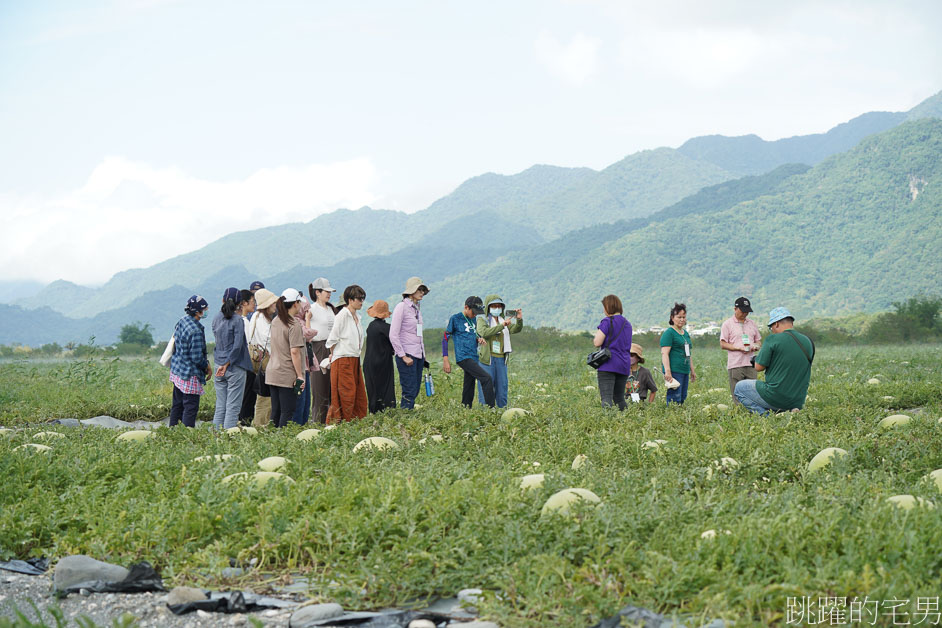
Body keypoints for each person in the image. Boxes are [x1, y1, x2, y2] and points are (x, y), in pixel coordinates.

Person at [735, 307, 814, 415]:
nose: (772, 331)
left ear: (776, 324)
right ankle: (789, 411)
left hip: (776, 396)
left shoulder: (772, 339)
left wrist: (755, 359)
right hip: (798, 401)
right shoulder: (808, 341)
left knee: (739, 388)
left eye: (771, 327)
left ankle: (768, 416)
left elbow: (758, 367)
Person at [211, 287, 253, 430]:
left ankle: (215, 436)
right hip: (234, 366)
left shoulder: (216, 318)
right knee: (233, 407)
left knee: (221, 406)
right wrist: (228, 363)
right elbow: (237, 347)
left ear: (223, 300)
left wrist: (221, 364)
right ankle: (228, 438)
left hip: (218, 365)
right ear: (240, 303)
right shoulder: (238, 320)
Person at [442, 297, 495, 408]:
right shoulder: (455, 319)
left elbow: (472, 334)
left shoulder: (473, 319)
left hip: (473, 356)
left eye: (477, 313)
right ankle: (492, 411)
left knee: (469, 385)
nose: (475, 315)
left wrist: (478, 338)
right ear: (466, 307)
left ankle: (465, 409)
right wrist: (445, 359)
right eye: (473, 312)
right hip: (463, 357)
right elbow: (445, 338)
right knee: (486, 378)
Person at [326, 285, 369, 423]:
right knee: (346, 394)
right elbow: (332, 339)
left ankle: (356, 421)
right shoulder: (342, 315)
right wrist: (333, 354)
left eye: (363, 298)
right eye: (359, 299)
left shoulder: (357, 316)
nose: (361, 302)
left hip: (354, 358)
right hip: (343, 358)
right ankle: (343, 422)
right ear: (350, 300)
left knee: (358, 393)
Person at [168, 295, 210, 427]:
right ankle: (186, 436)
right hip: (189, 374)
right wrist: (207, 366)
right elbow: (197, 357)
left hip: (178, 370)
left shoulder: (183, 320)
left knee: (177, 405)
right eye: (205, 309)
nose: (207, 310)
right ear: (198, 311)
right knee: (190, 408)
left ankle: (172, 432)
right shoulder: (195, 330)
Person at [266, 289, 306, 428]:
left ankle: (271, 439)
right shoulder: (293, 324)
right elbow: (295, 352)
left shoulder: (276, 320)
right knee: (287, 412)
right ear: (295, 303)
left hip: (273, 372)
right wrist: (300, 375)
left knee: (275, 411)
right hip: (286, 374)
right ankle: (281, 443)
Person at [476, 295, 523, 408]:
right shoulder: (483, 320)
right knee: (486, 388)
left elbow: (516, 329)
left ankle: (501, 412)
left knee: (502, 388)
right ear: (488, 307)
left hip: (502, 359)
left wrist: (519, 319)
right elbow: (484, 332)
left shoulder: (503, 321)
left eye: (499, 306)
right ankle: (486, 414)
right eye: (493, 306)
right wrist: (501, 326)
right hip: (487, 360)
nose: (497, 309)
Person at [389, 277, 428, 409]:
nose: (422, 292)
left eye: (423, 290)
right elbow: (393, 334)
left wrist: (424, 355)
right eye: (419, 289)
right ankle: (405, 416)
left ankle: (408, 415)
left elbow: (419, 334)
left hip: (418, 354)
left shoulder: (416, 309)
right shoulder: (401, 307)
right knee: (409, 389)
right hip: (407, 354)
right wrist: (403, 355)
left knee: (415, 388)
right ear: (411, 291)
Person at [592, 294, 633, 410]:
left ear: (608, 307)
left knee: (606, 399)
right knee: (619, 398)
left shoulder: (607, 322)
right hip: (624, 364)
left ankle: (607, 423)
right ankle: (625, 421)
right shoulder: (627, 324)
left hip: (608, 364)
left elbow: (597, 342)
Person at [720, 297, 762, 405]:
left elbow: (759, 341)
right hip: (736, 364)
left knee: (753, 390)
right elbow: (723, 344)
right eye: (742, 311)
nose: (745, 314)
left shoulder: (752, 324)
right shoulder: (727, 324)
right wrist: (738, 348)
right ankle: (739, 412)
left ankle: (752, 412)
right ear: (735, 309)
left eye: (747, 311)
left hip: (751, 363)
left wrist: (755, 346)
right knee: (737, 391)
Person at [308, 278, 338, 423]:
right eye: (326, 291)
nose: (329, 294)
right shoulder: (312, 310)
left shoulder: (331, 309)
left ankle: (332, 419)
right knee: (320, 386)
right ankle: (318, 421)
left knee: (333, 386)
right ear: (317, 292)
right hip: (318, 347)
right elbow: (307, 331)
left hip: (332, 347)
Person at [247, 289, 277, 427]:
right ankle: (260, 425)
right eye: (273, 303)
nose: (275, 305)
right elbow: (268, 338)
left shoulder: (257, 317)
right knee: (264, 398)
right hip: (265, 362)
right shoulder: (260, 318)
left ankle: (262, 424)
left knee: (266, 396)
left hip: (262, 361)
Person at [363, 299, 396, 414]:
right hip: (383, 361)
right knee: (386, 386)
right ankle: (387, 411)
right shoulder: (387, 328)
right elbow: (394, 343)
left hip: (369, 361)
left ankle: (373, 411)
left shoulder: (370, 326)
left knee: (372, 387)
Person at [660, 303, 696, 405]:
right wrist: (667, 371)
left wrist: (692, 370)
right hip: (674, 370)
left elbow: (689, 354)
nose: (682, 319)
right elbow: (664, 353)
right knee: (674, 398)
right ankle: (672, 418)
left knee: (682, 397)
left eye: (683, 317)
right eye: (679, 317)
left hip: (684, 369)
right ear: (672, 318)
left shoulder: (685, 333)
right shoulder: (669, 333)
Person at [290, 297, 317, 425]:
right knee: (300, 401)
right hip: (299, 368)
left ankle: (302, 425)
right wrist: (307, 320)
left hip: (305, 366)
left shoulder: (297, 321)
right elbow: (308, 335)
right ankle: (297, 426)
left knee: (306, 401)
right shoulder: (296, 322)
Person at [238, 289, 258, 424]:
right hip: (247, 365)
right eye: (252, 301)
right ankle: (245, 424)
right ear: (244, 303)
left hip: (243, 364)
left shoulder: (241, 320)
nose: (254, 304)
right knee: (248, 399)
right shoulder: (243, 322)